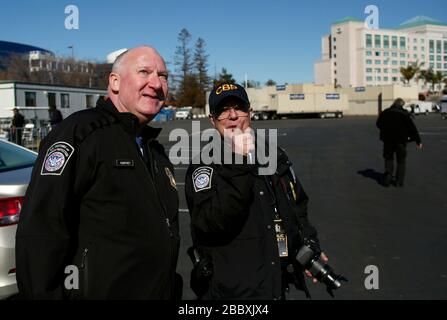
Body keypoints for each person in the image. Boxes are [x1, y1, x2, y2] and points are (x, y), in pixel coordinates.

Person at [16, 46, 180, 300]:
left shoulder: (154, 151)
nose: (156, 83)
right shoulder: (81, 134)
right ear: (114, 82)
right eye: (144, 72)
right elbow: (41, 232)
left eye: (164, 76)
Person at [185, 83, 327, 300]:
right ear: (212, 120)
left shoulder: (273, 155)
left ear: (249, 114)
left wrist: (308, 245)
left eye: (239, 108)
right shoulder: (204, 166)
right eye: (223, 110)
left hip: (275, 284)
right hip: (233, 293)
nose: (233, 116)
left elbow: (297, 205)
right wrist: (240, 164)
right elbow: (211, 223)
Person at [376, 98, 423, 187]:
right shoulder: (404, 114)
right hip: (401, 141)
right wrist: (418, 141)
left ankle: (388, 176)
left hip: (387, 140)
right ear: (401, 105)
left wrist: (386, 129)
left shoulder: (385, 112)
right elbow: (412, 128)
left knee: (388, 158)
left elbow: (378, 124)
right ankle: (398, 181)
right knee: (401, 161)